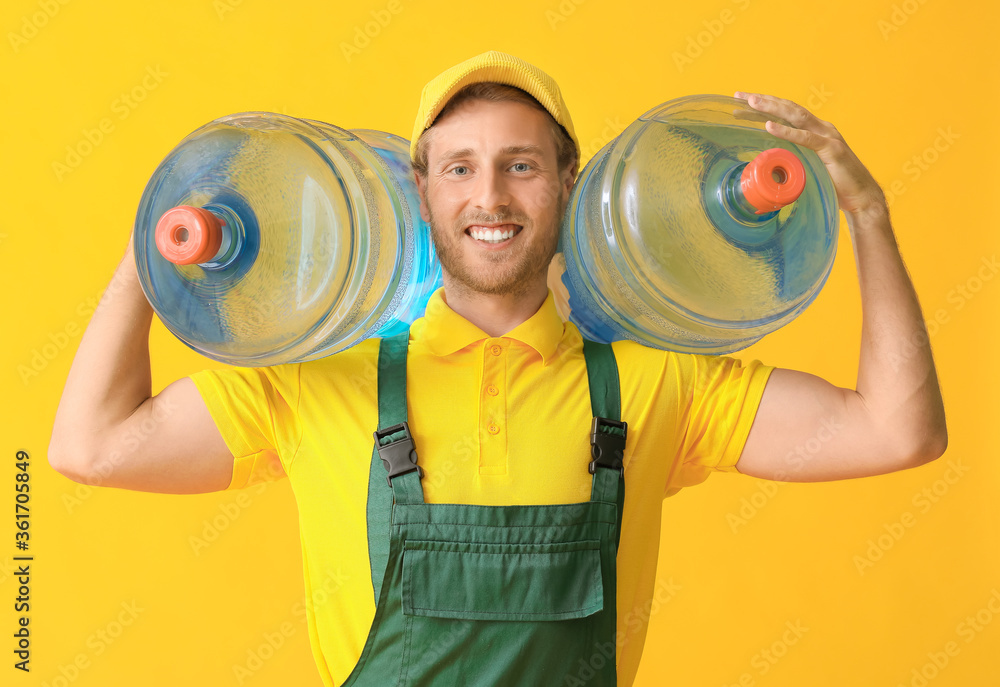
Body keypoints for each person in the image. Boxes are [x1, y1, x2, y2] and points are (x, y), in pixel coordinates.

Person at [49, 51, 946, 686]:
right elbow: (90, 444)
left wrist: (868, 215)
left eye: (520, 166)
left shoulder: (657, 383)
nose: (489, 197)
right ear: (418, 188)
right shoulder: (316, 380)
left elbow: (896, 430)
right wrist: (151, 242)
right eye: (459, 169)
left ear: (570, 182)